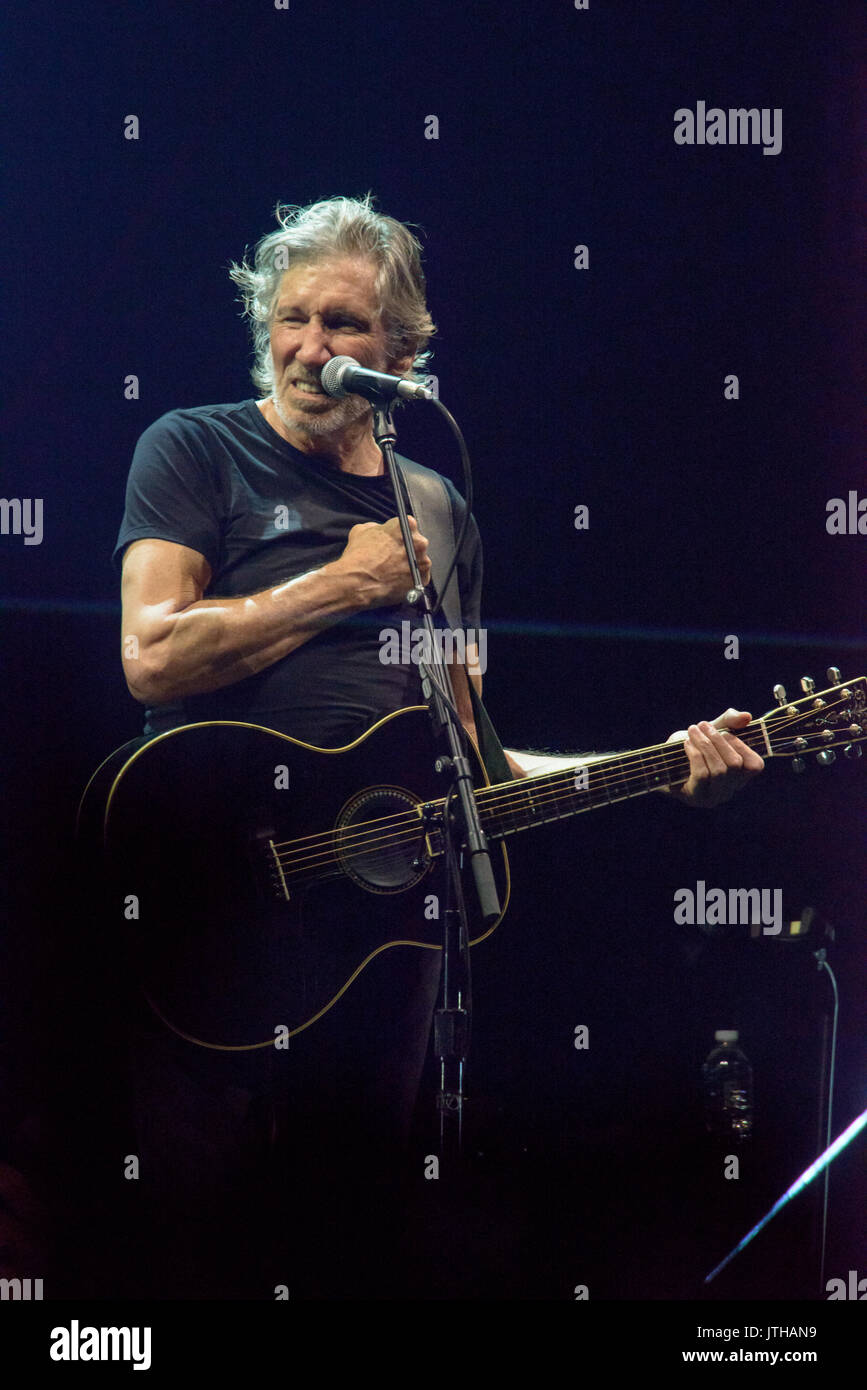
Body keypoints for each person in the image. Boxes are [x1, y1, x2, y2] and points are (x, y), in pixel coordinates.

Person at [112, 194, 764, 1297]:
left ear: (402, 354)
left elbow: (477, 763)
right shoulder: (193, 448)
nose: (308, 349)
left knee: (347, 1233)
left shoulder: (439, 509)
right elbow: (151, 658)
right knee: (188, 1238)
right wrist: (346, 581)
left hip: (384, 922)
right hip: (218, 889)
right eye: (291, 318)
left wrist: (665, 767)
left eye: (344, 327)